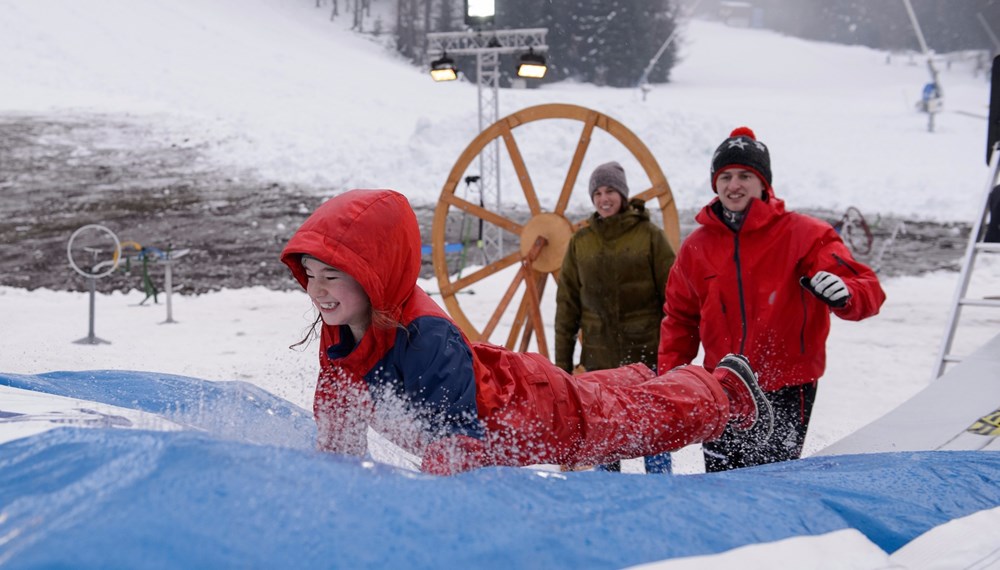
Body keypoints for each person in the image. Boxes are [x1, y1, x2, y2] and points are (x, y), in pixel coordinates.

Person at [280, 188, 774, 476]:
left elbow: (458, 444)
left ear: (374, 275)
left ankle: (723, 392)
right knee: (600, 398)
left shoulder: (424, 338)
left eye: (333, 276)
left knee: (628, 425)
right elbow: (339, 415)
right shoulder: (344, 328)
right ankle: (641, 377)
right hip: (515, 390)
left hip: (535, 417)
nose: (317, 291)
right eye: (311, 275)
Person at [658, 127, 886, 473]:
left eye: (745, 175)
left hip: (786, 386)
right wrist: (673, 378)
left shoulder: (805, 235)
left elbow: (866, 286)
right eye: (726, 176)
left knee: (772, 481)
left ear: (764, 183)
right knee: (722, 482)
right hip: (722, 387)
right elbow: (679, 319)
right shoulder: (697, 247)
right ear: (715, 184)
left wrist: (847, 294)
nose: (734, 185)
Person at [554, 161, 676, 473]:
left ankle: (662, 494)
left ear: (622, 194)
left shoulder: (650, 237)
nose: (603, 198)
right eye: (597, 192)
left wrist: (672, 357)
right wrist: (563, 368)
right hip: (600, 361)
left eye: (610, 191)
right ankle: (608, 498)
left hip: (646, 359)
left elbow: (675, 299)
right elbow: (567, 308)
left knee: (655, 434)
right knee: (606, 441)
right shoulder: (581, 243)